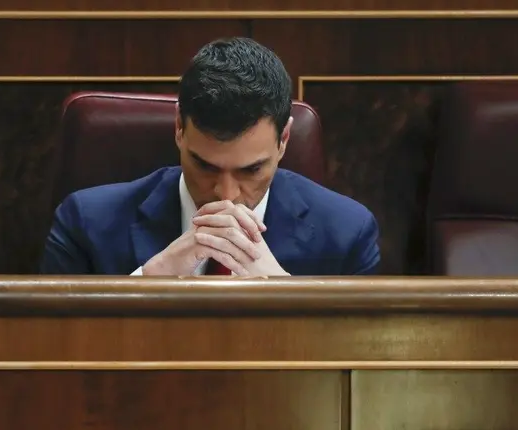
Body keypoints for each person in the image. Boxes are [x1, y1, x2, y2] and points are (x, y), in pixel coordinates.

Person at [40, 37, 380, 276]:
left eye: (251, 169)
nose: (226, 194)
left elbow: (363, 370)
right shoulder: (84, 224)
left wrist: (284, 299)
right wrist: (148, 281)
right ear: (178, 128)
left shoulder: (347, 234)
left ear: (284, 139)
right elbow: (48, 357)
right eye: (205, 165)